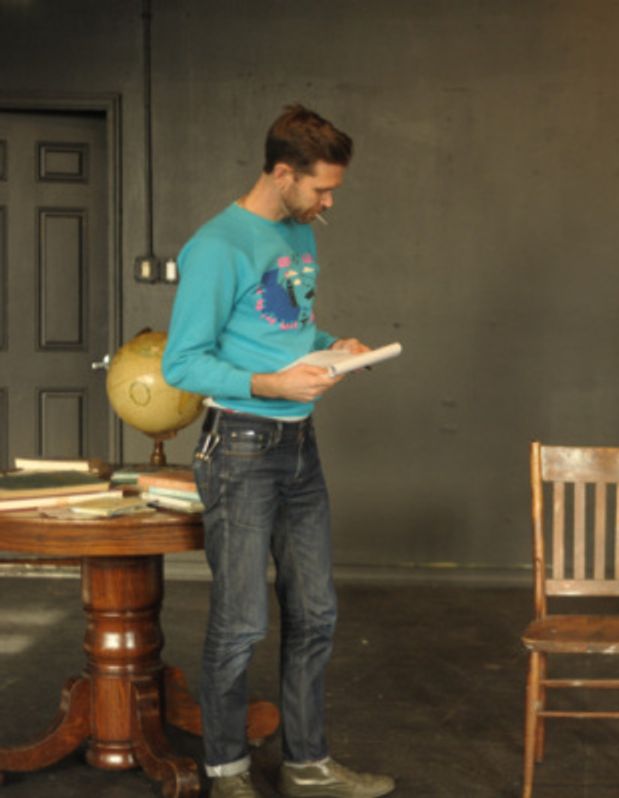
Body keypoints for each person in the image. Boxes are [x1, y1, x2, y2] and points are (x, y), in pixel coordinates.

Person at [162, 105, 395, 798]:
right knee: (240, 622)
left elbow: (286, 327)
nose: (327, 204)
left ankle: (308, 765)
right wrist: (269, 383)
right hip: (238, 447)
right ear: (282, 171)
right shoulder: (217, 246)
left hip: (299, 444)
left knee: (316, 612)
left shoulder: (298, 232)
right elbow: (182, 365)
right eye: (320, 189)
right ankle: (226, 772)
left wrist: (334, 351)